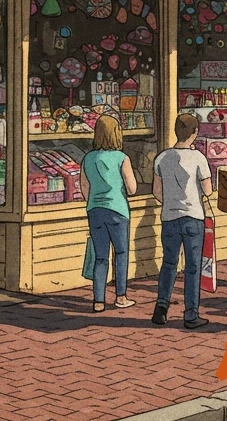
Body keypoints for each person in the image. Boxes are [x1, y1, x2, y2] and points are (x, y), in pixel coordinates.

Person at [152, 113, 213, 329]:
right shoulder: (198, 158)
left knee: (169, 263)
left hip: (169, 216)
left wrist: (171, 200)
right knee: (192, 267)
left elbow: (156, 192)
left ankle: (161, 307)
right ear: (195, 133)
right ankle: (191, 313)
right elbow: (208, 191)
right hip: (193, 217)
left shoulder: (161, 157)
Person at [80, 116, 138, 312]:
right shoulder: (122, 158)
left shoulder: (88, 158)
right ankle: (121, 297)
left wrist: (95, 198)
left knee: (100, 256)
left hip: (94, 210)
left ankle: (98, 301)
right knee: (121, 253)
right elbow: (132, 188)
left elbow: (84, 186)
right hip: (117, 210)